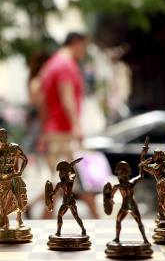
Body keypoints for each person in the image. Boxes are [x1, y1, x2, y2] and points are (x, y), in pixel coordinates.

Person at [39, 31, 99, 219]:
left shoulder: (52, 64)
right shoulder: (65, 65)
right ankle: (41, 223)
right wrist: (76, 125)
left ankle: (99, 219)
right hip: (63, 132)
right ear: (76, 42)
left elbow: (40, 100)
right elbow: (67, 97)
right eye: (84, 46)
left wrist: (44, 129)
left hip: (54, 130)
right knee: (63, 182)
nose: (84, 51)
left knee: (65, 182)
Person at [107, 161, 149, 243]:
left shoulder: (121, 185)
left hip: (127, 205)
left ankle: (118, 238)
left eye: (119, 175)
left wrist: (110, 199)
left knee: (121, 220)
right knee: (137, 221)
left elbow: (110, 195)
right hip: (131, 205)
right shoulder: (128, 184)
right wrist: (141, 168)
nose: (118, 177)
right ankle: (144, 239)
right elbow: (141, 177)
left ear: (123, 176)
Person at [50, 159, 86, 236]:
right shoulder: (70, 181)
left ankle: (59, 232)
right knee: (76, 216)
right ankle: (83, 229)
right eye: (60, 173)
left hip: (66, 201)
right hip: (71, 200)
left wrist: (51, 194)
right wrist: (72, 166)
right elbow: (74, 174)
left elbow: (54, 193)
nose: (59, 175)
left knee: (60, 215)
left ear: (65, 174)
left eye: (61, 173)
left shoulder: (61, 184)